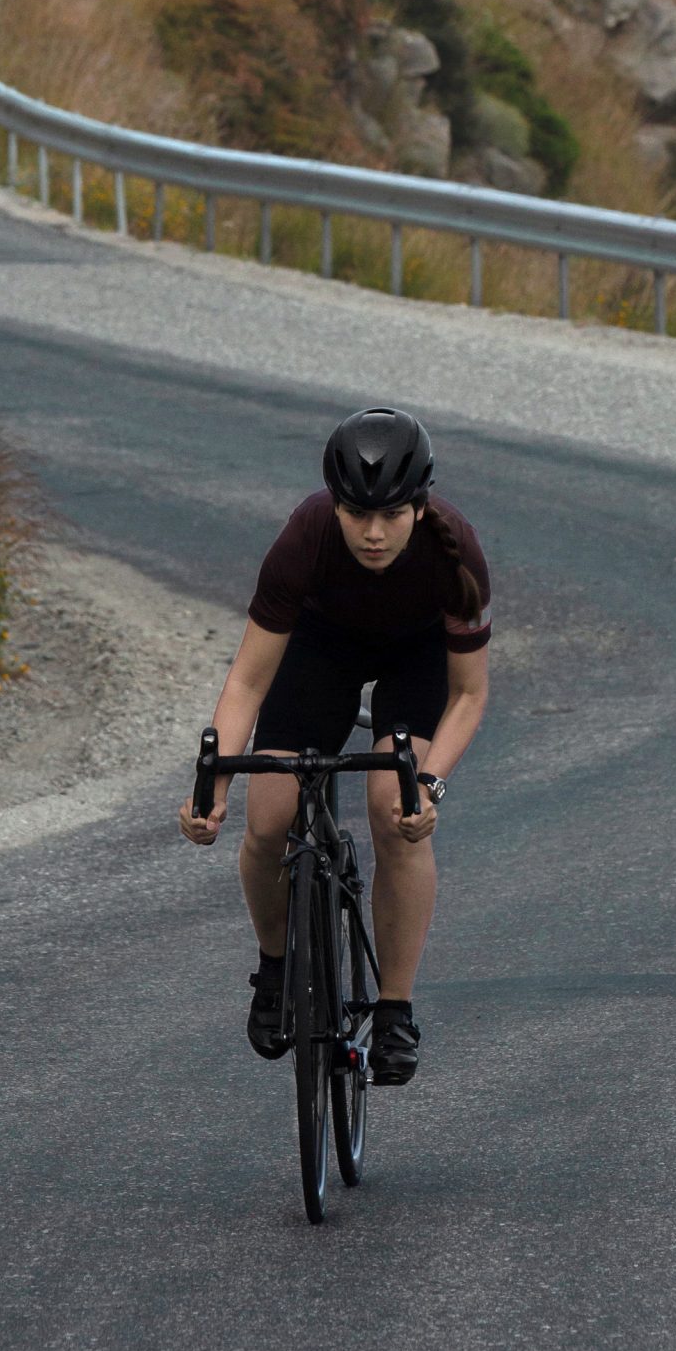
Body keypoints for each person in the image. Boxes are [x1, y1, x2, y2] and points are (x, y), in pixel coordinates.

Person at [178, 405, 491, 1086]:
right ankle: (275, 968)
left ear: (419, 506)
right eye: (356, 513)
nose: (373, 533)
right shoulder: (306, 535)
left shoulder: (455, 550)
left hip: (414, 660)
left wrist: (429, 786)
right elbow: (248, 679)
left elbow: (468, 695)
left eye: (391, 515)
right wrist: (214, 789)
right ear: (335, 505)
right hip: (320, 650)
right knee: (268, 820)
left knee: (394, 812)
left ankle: (395, 1009)